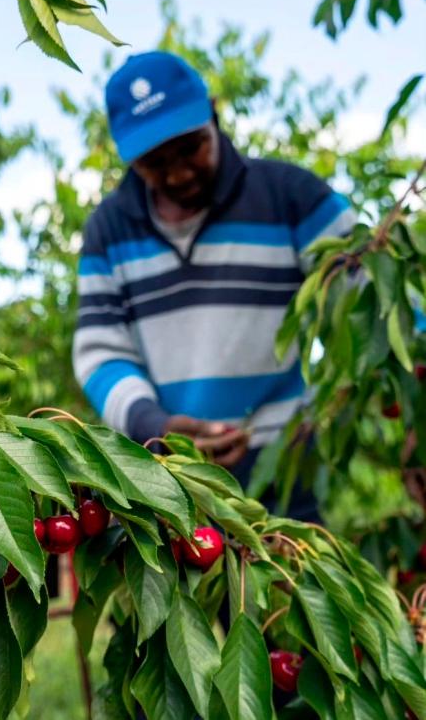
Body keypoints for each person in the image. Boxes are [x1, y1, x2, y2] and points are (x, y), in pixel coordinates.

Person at [72, 51, 356, 520]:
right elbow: (99, 350)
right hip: (168, 484)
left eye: (190, 148)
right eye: (154, 163)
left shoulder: (292, 198)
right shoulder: (109, 230)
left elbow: (376, 305)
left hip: (284, 476)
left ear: (215, 117)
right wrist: (154, 427)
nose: (178, 173)